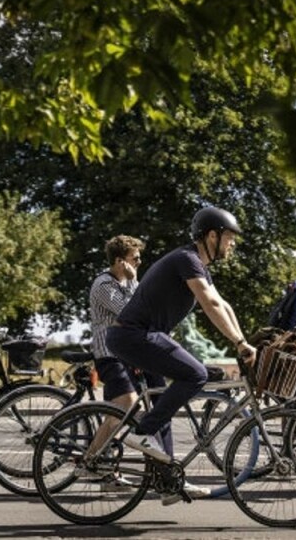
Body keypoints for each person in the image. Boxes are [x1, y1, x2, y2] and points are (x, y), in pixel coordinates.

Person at [106, 206, 256, 505]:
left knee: (163, 404)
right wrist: (239, 343)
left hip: (140, 336)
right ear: (211, 235)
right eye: (229, 237)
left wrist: (244, 343)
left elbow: (223, 305)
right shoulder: (187, 260)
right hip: (135, 336)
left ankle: (168, 481)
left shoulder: (197, 265)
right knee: (196, 374)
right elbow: (210, 305)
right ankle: (142, 431)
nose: (233, 244)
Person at [84, 235, 167, 489]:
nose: (140, 261)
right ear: (121, 261)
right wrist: (133, 282)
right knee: (124, 406)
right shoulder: (104, 285)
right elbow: (132, 311)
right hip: (109, 354)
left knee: (123, 411)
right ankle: (89, 462)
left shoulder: (124, 282)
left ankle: (105, 470)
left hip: (125, 355)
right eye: (135, 258)